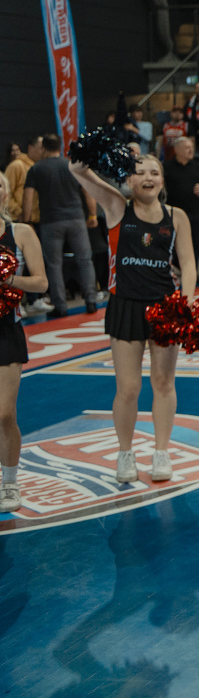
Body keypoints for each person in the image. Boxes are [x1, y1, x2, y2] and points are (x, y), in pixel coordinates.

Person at [68, 154, 197, 484]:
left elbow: (188, 264)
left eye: (154, 172)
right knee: (128, 388)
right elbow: (77, 169)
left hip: (165, 308)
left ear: (163, 180)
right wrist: (100, 151)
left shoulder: (177, 216)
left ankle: (161, 452)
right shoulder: (116, 207)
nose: (148, 177)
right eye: (139, 172)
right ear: (129, 180)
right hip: (125, 305)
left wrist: (185, 304)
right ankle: (125, 453)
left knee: (163, 383)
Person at [0, 175, 49, 511]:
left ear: (6, 193)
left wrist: (10, 279)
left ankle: (9, 482)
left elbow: (42, 282)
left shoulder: (21, 233)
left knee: (4, 413)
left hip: (7, 330)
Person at [23, 134, 100, 317]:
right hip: (76, 218)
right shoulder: (72, 165)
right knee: (85, 260)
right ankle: (91, 300)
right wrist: (93, 214)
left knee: (54, 265)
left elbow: (28, 197)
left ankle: (60, 306)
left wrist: (26, 222)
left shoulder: (36, 169)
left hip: (51, 221)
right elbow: (88, 192)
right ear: (61, 147)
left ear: (43, 148)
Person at [162, 137, 199, 264]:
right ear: (177, 150)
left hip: (194, 213)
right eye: (187, 148)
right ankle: (174, 270)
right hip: (173, 213)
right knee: (173, 244)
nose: (191, 150)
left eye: (192, 147)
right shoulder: (166, 167)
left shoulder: (198, 167)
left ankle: (193, 270)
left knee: (195, 243)